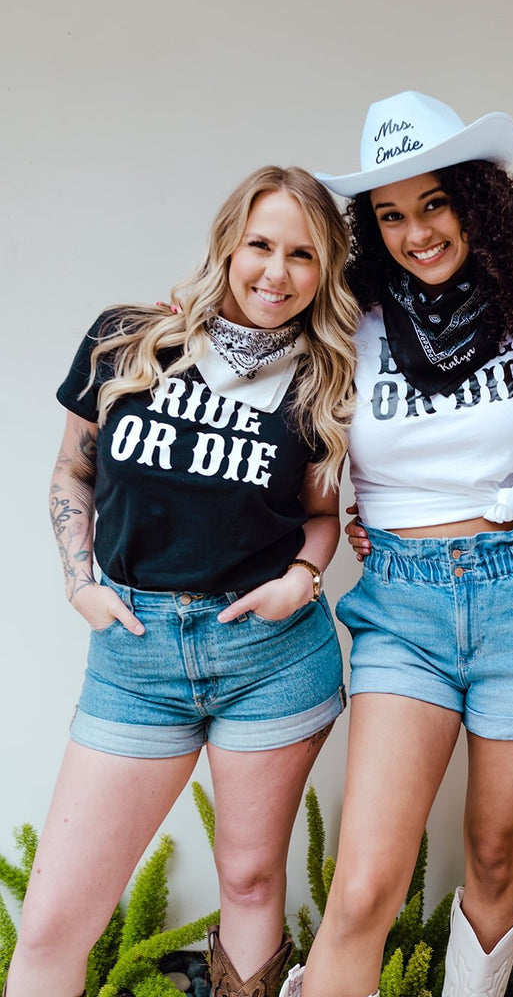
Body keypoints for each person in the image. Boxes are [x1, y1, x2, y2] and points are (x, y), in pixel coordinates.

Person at [6, 166, 359, 997]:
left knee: (249, 883)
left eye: (302, 256)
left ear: (325, 270)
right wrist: (77, 578)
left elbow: (317, 515)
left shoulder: (322, 380)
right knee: (58, 918)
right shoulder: (130, 339)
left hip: (269, 656)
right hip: (136, 659)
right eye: (260, 246)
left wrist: (305, 577)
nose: (276, 273)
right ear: (228, 245)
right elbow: (71, 472)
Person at [281, 92, 513, 997]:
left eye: (434, 203)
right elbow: (243, 328)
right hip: (405, 604)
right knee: (367, 879)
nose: (416, 232)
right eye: (390, 214)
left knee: (495, 857)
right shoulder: (345, 315)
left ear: (473, 199)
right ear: (369, 228)